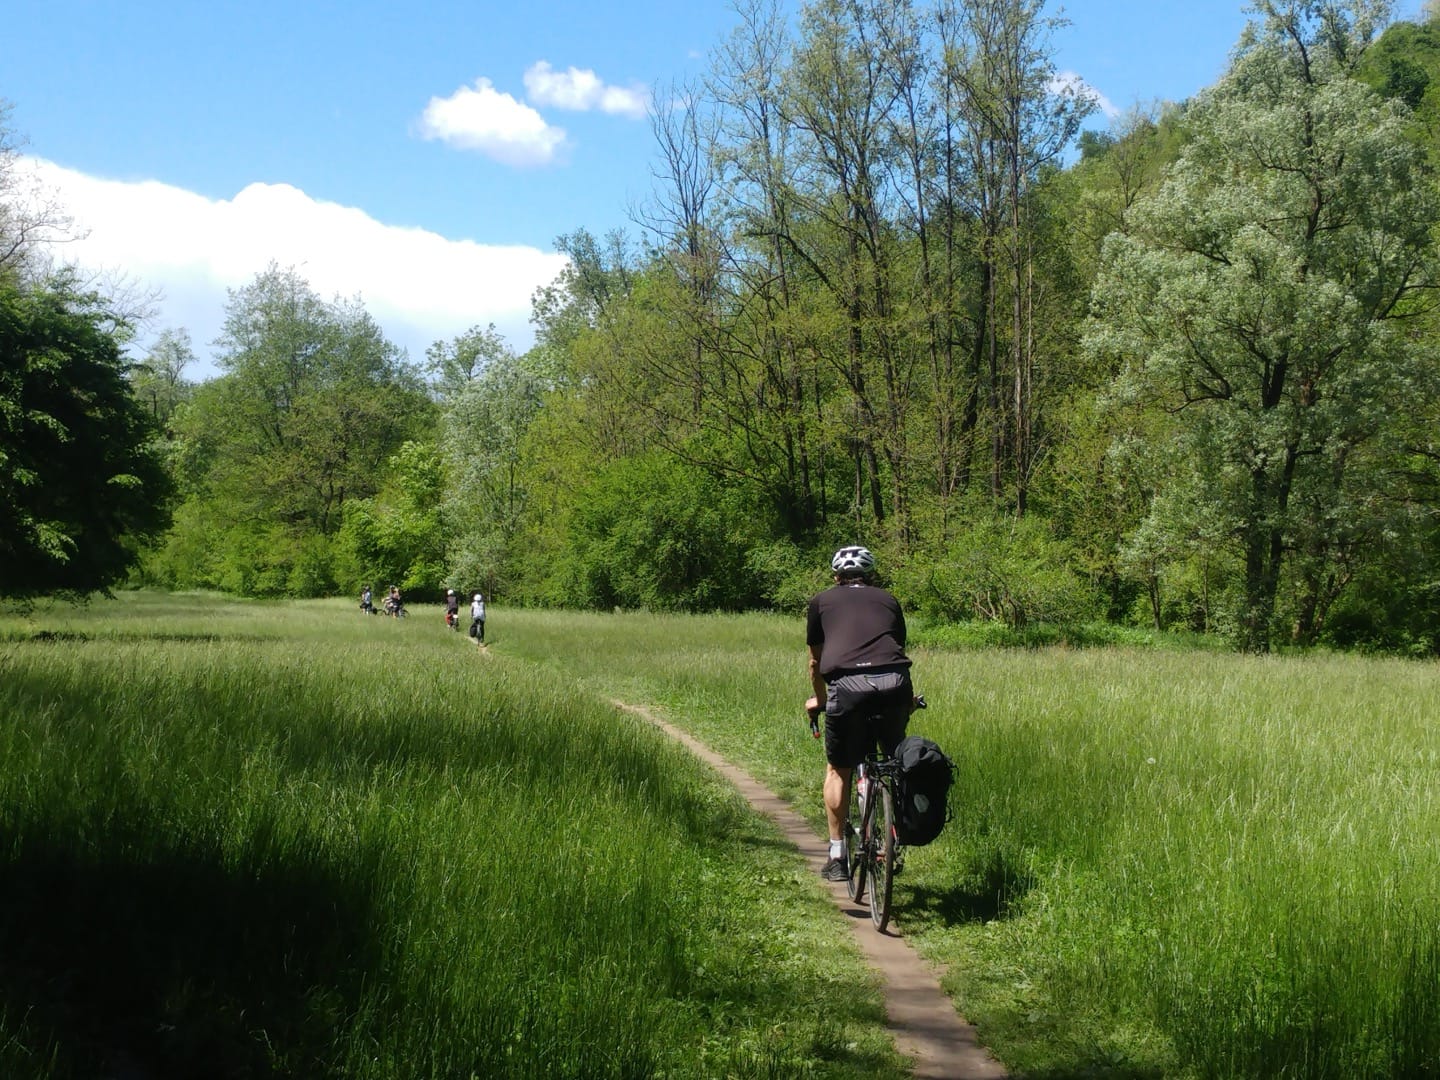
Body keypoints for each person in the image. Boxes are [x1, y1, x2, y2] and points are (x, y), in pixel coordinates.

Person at [805, 545, 913, 883]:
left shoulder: (821, 602)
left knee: (839, 769)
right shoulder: (888, 599)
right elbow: (896, 651)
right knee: (894, 761)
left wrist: (819, 701)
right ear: (870, 575)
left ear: (836, 576)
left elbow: (816, 663)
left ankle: (837, 854)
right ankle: (893, 831)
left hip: (847, 689)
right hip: (896, 684)